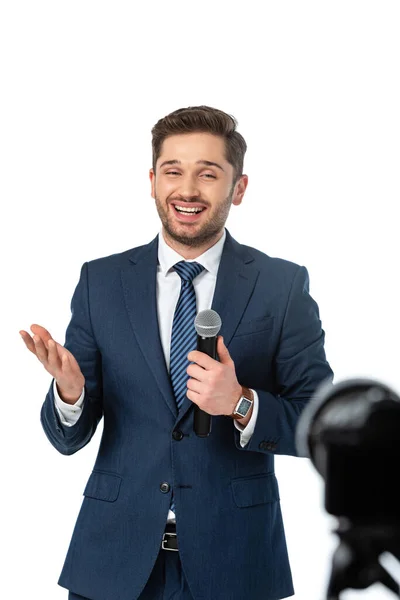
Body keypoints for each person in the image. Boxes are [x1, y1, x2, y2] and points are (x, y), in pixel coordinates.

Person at [20, 105, 334, 600]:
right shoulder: (101, 282)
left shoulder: (281, 286)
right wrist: (71, 393)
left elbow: (323, 422)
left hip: (237, 563)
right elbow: (67, 439)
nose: (187, 190)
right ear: (151, 180)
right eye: (173, 171)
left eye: (208, 174)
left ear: (239, 187)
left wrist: (240, 402)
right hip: (112, 563)